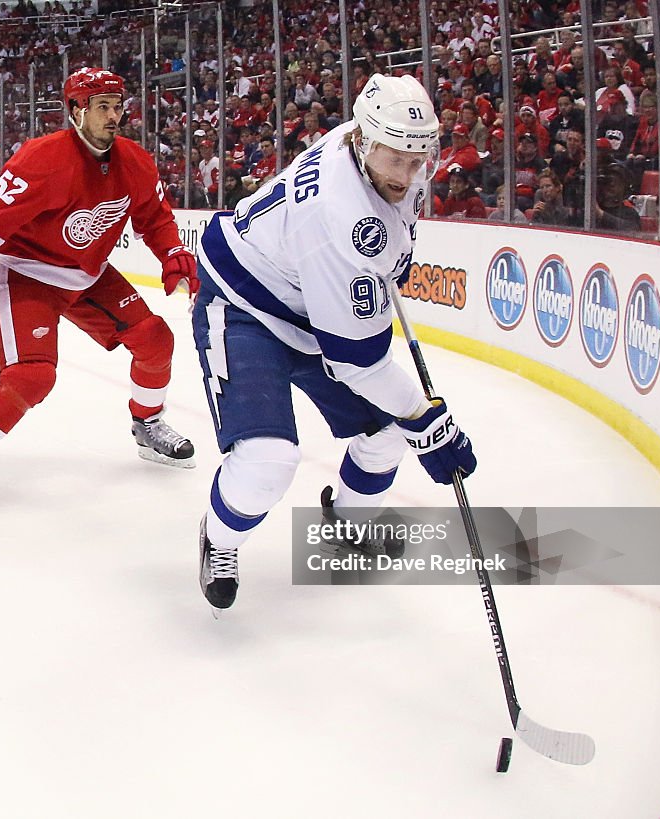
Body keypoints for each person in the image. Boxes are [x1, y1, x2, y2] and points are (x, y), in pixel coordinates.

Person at [191, 75, 477, 609]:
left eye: (420, 158)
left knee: (389, 430)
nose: (410, 173)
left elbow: (387, 245)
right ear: (366, 143)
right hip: (246, 306)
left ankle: (346, 520)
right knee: (267, 460)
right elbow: (356, 361)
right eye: (398, 158)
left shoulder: (375, 146)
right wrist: (429, 422)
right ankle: (219, 539)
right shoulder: (340, 216)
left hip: (310, 302)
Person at [0, 67, 199, 531]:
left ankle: (148, 423)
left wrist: (173, 251)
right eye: (102, 107)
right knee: (32, 375)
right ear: (77, 111)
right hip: (23, 274)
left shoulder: (134, 161)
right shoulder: (43, 158)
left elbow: (155, 217)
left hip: (86, 276)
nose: (114, 116)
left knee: (155, 337)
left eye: (118, 106)